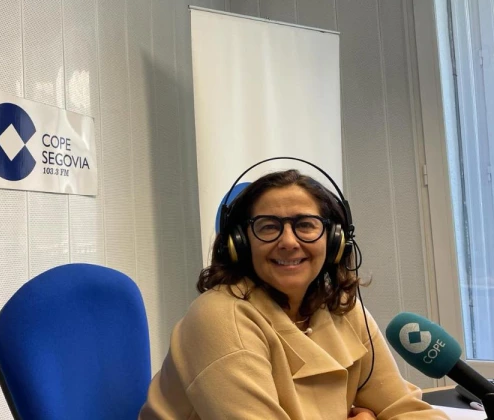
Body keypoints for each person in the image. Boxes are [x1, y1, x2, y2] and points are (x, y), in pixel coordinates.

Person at [138, 169, 449, 419]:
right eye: (268, 227)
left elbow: (405, 409)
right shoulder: (218, 318)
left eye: (305, 225)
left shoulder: (343, 308)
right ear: (240, 243)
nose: (288, 241)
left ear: (334, 240)